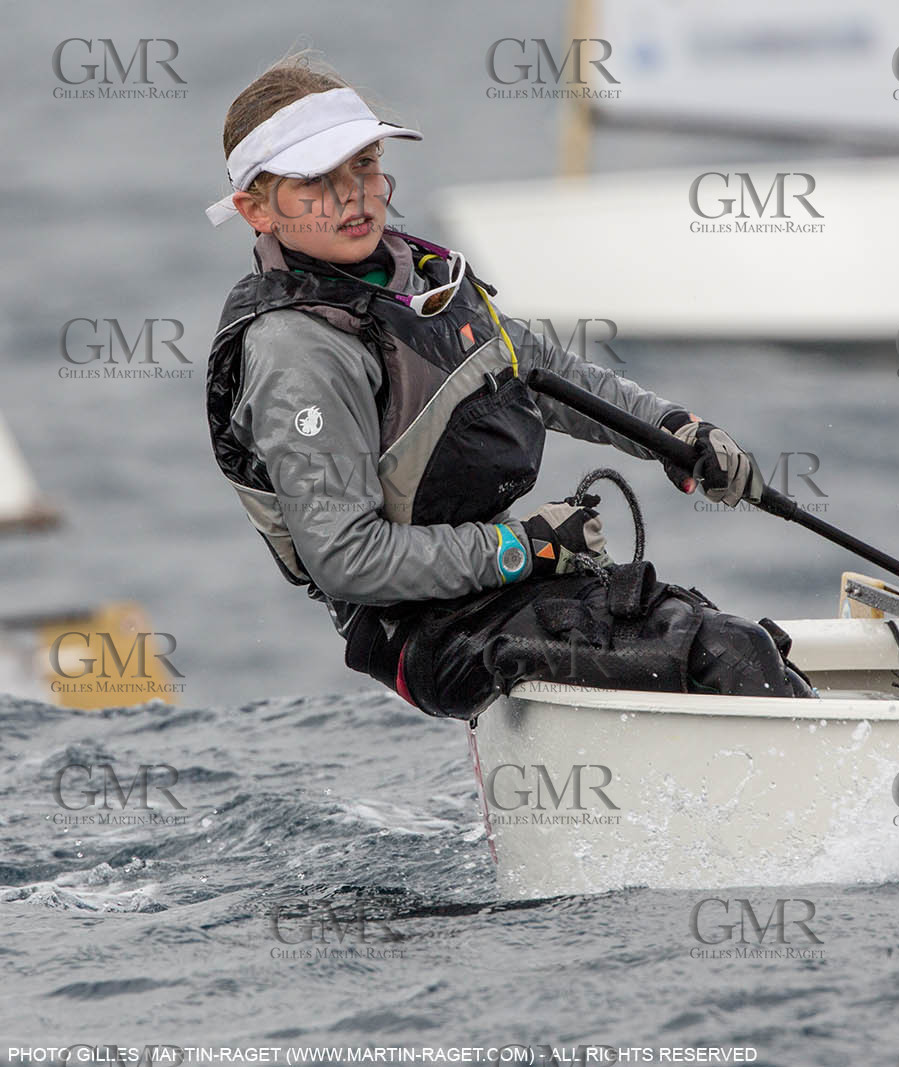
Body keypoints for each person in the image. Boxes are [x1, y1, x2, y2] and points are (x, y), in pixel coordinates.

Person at [204, 55, 814, 721]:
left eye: (365, 164)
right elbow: (347, 559)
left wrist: (672, 431)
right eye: (316, 181)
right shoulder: (297, 350)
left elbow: (544, 371)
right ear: (254, 210)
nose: (353, 193)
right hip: (429, 635)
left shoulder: (417, 275)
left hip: (500, 592)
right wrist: (522, 546)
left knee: (741, 645)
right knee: (727, 657)